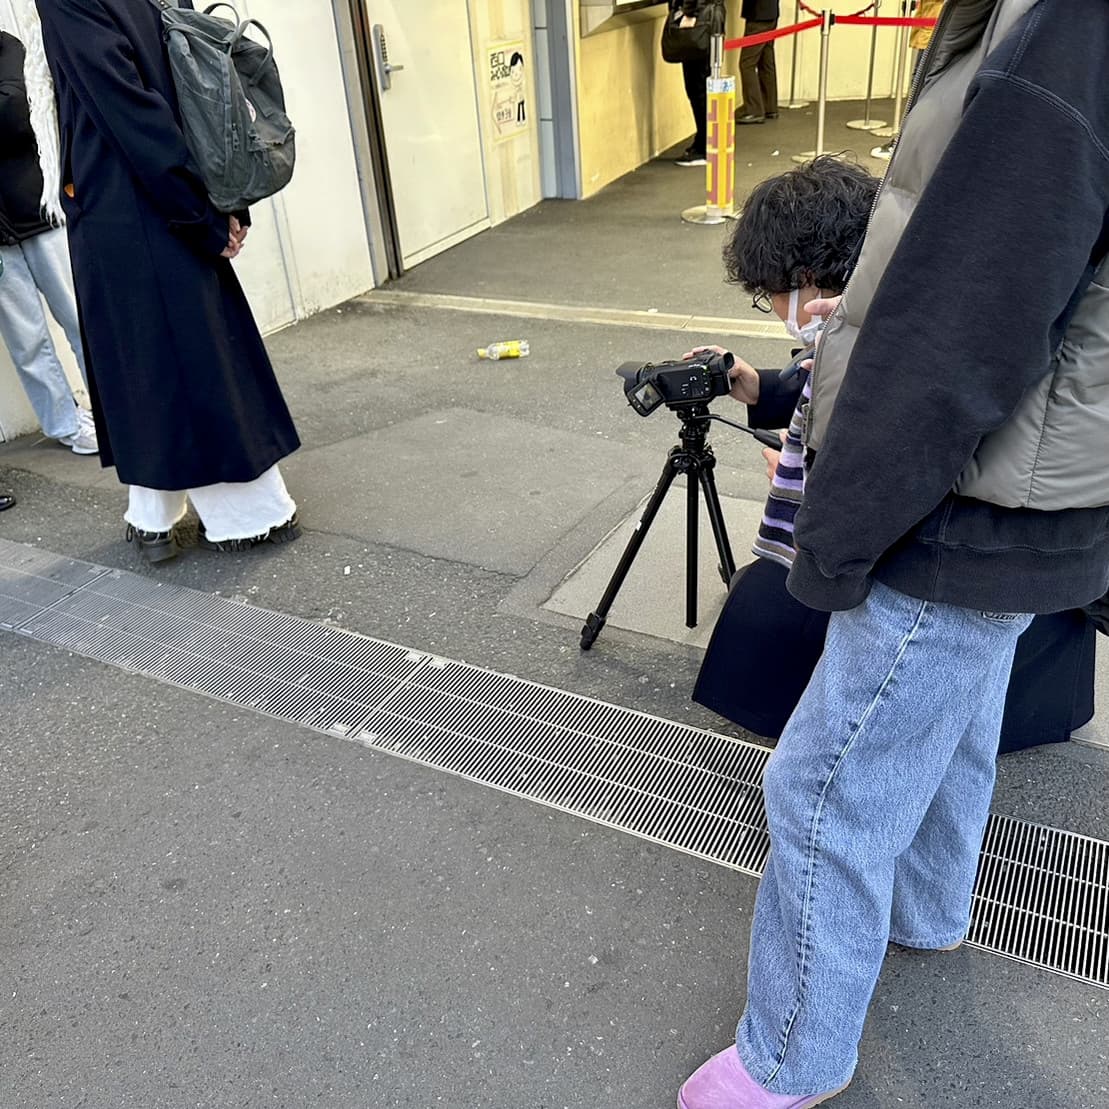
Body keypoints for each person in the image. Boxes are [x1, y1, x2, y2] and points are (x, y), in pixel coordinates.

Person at [679, 2, 1109, 1106]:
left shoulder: (1061, 25)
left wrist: (845, 522)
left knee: (823, 786)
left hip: (958, 491)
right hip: (1029, 485)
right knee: (951, 726)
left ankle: (790, 1057)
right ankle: (929, 908)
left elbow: (959, 319)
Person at [691, 157, 1096, 755]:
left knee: (773, 617)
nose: (774, 309)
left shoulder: (895, 343)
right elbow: (822, 380)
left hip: (963, 558)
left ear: (805, 279)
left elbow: (898, 463)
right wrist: (763, 391)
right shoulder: (912, 301)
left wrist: (813, 484)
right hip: (1042, 564)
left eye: (768, 294)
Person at [15, 0, 300, 564]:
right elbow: (192, 89)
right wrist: (218, 203)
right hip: (162, 193)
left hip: (126, 202)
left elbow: (129, 109)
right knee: (182, 354)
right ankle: (165, 515)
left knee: (161, 363)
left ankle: (223, 515)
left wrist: (204, 213)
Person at [0, 28, 97, 456]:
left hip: (39, 214)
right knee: (27, 341)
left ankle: (116, 411)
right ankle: (65, 424)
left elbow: (13, 113)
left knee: (82, 317)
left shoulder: (5, 46)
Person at [670, 0, 725, 167]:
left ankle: (704, 146)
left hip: (700, 20)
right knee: (703, 84)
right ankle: (707, 141)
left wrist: (689, 13)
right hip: (711, 18)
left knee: (697, 87)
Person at [737, 0, 779, 124]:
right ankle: (769, 106)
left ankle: (754, 109)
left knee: (747, 63)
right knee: (766, 61)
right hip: (771, 12)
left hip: (758, 14)